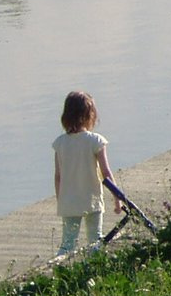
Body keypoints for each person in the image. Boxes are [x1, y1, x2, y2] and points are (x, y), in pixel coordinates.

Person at [52, 90, 123, 257]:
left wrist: (60, 199)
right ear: (89, 115)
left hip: (69, 201)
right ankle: (93, 270)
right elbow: (106, 173)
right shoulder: (95, 141)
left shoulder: (60, 143)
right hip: (91, 200)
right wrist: (117, 198)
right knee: (95, 240)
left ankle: (58, 266)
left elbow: (58, 176)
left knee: (68, 242)